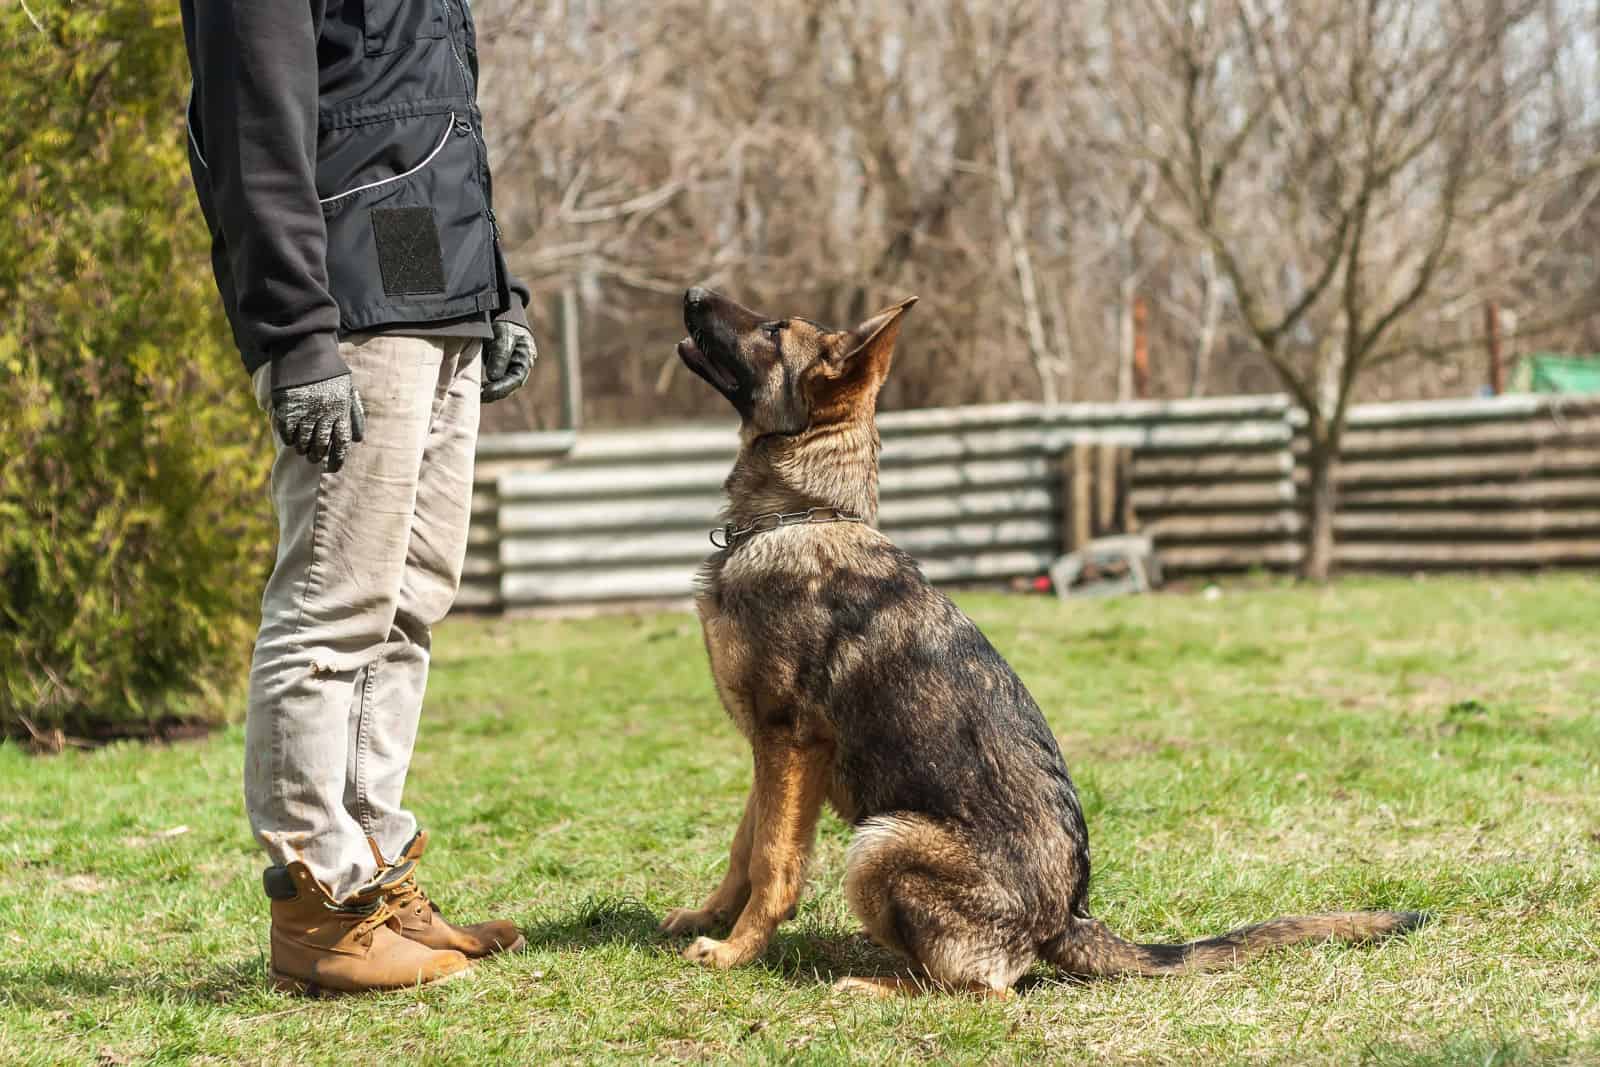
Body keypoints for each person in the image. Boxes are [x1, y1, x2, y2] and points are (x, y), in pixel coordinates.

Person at [180, 0, 534, 995]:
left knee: (409, 598)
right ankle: (317, 903)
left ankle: (372, 862)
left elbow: (413, 116)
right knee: (333, 603)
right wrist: (295, 333)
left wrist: (484, 293)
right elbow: (256, 124)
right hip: (342, 304)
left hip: (424, 277)